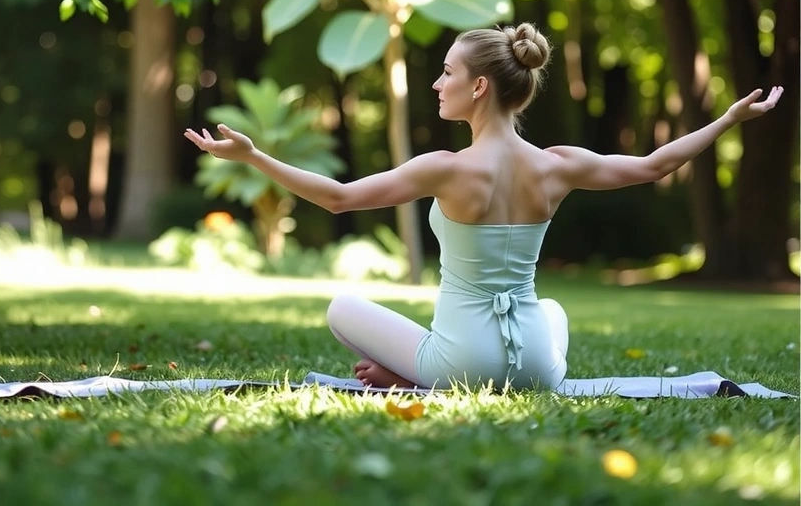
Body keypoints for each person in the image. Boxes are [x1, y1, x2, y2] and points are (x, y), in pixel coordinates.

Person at [184, 23, 783, 391]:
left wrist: (256, 156)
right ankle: (423, 375)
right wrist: (728, 119)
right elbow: (655, 165)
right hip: (538, 371)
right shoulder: (556, 163)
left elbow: (339, 200)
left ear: (478, 87)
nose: (437, 83)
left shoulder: (444, 169)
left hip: (457, 364)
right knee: (548, 306)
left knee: (343, 306)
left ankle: (415, 378)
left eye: (447, 72)